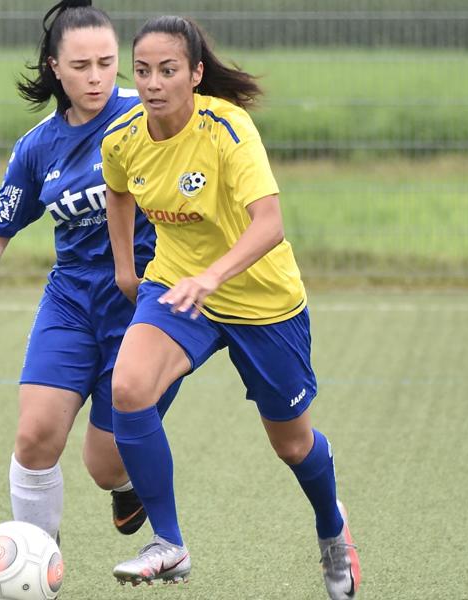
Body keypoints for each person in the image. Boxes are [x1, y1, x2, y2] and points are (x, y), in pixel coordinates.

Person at [101, 15, 362, 599]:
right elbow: (118, 190)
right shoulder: (121, 138)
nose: (152, 83)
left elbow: (269, 224)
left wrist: (213, 275)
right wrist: (125, 267)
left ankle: (331, 530)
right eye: (141, 71)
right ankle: (169, 544)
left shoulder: (227, 128)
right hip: (177, 288)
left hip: (264, 300)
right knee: (129, 387)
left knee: (293, 445)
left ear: (195, 74)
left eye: (168, 70)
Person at [0, 0, 179, 545]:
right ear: (56, 67)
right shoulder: (37, 148)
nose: (97, 76)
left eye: (107, 62)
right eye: (82, 66)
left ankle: (124, 485)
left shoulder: (147, 114)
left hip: (145, 303)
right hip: (72, 300)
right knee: (34, 437)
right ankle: (38, 558)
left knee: (102, 464)